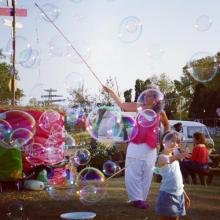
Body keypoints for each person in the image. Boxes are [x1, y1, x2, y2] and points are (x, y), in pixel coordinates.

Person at [103, 86, 169, 209]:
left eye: (150, 95)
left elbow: (166, 125)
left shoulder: (160, 112)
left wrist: (164, 139)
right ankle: (136, 199)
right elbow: (122, 104)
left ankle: (141, 198)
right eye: (146, 95)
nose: (146, 97)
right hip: (136, 144)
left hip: (150, 147)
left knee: (147, 173)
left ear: (156, 98)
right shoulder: (139, 106)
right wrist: (111, 92)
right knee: (133, 172)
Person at [155, 131, 190, 220]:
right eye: (172, 141)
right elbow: (168, 160)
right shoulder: (161, 157)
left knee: (175, 217)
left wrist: (184, 195)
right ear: (163, 142)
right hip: (167, 194)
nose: (175, 144)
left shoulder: (174, 158)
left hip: (179, 194)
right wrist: (178, 156)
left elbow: (178, 180)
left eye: (177, 142)